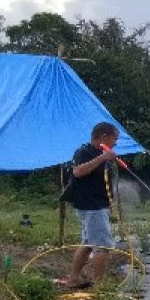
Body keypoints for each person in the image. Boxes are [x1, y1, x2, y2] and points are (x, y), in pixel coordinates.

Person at [59, 121, 120, 288]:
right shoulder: (85, 152)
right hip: (92, 206)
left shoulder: (98, 153)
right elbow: (78, 172)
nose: (116, 143)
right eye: (115, 139)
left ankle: (73, 279)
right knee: (102, 247)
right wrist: (103, 158)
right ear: (103, 137)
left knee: (87, 244)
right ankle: (100, 286)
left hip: (96, 205)